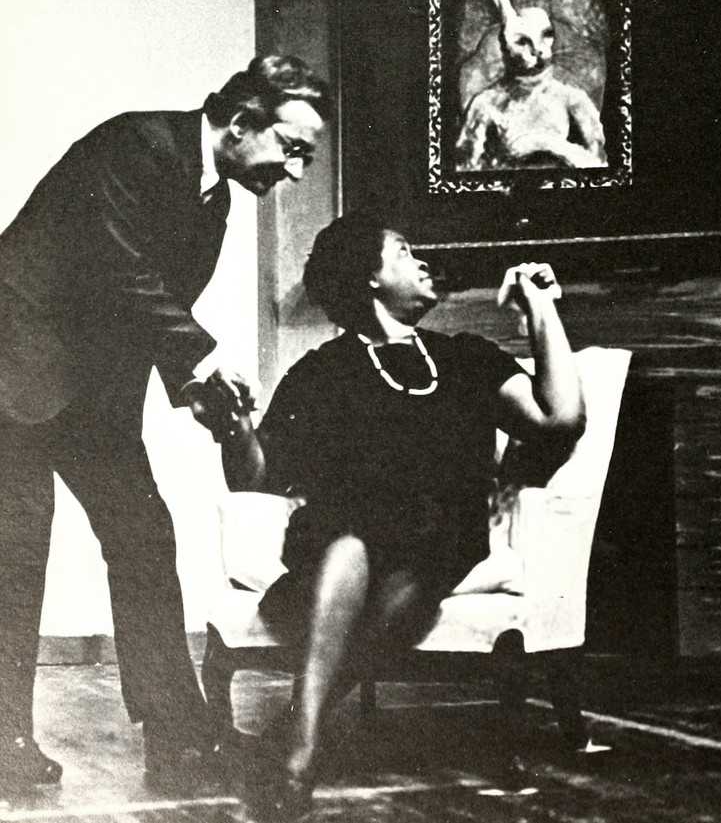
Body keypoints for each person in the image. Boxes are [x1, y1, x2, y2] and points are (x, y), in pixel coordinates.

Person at [0, 54, 330, 793]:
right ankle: (3, 741)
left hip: (85, 390)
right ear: (241, 123)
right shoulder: (138, 145)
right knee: (15, 547)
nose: (295, 172)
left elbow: (152, 309)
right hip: (10, 370)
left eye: (305, 157)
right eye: (291, 148)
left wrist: (199, 390)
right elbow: (118, 271)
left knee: (144, 535)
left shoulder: (213, 200)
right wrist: (202, 359)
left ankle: (178, 739)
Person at [207, 208, 585, 821]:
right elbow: (256, 479)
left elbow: (559, 418)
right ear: (369, 277)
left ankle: (294, 739)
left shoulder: (466, 357)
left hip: (437, 538)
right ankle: (300, 752)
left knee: (396, 566)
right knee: (353, 545)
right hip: (341, 542)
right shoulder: (321, 371)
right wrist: (235, 426)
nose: (424, 260)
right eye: (405, 250)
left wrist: (540, 306)